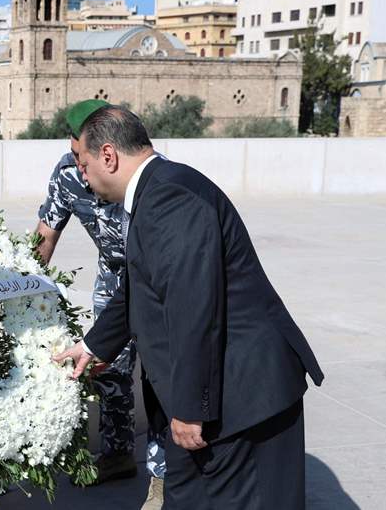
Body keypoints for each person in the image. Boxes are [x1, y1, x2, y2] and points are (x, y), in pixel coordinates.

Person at [53, 105, 324, 509]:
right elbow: (139, 288)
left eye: (84, 162)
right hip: (230, 392)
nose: (83, 176)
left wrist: (189, 409)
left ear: (108, 155)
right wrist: (93, 346)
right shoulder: (159, 189)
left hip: (240, 397)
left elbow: (193, 308)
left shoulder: (169, 198)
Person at [35, 100, 167, 505]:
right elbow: (46, 234)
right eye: (74, 153)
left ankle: (162, 478)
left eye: (82, 155)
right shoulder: (67, 173)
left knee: (157, 374)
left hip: (152, 275)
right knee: (107, 368)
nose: (79, 166)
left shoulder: (145, 172)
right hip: (112, 276)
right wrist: (23, 291)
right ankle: (117, 455)